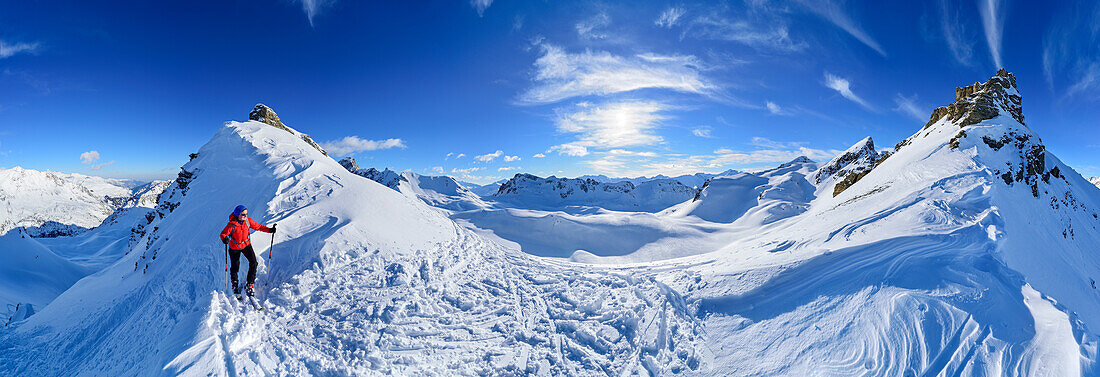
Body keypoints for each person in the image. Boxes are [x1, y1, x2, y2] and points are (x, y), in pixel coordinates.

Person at [219, 205, 275, 297]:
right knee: (235, 266)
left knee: (254, 262)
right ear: (237, 214)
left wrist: (269, 230)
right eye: (243, 214)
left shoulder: (248, 221)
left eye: (246, 214)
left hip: (246, 245)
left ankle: (250, 284)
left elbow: (259, 227)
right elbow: (223, 234)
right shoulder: (232, 225)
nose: (245, 216)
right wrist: (224, 239)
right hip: (234, 247)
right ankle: (234, 283)